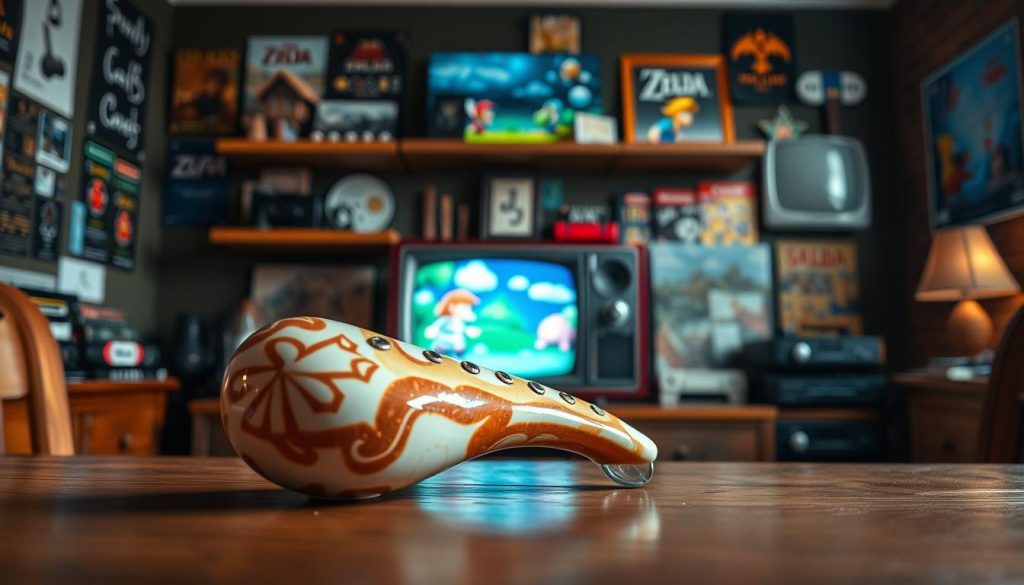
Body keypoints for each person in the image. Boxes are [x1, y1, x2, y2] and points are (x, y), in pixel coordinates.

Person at [424, 289, 481, 357]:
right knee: (440, 352)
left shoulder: (460, 322)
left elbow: (464, 329)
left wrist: (470, 332)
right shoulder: (445, 319)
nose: (467, 310)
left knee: (459, 350)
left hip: (457, 341)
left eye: (469, 308)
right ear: (452, 306)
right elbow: (436, 327)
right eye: (464, 307)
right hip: (444, 340)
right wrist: (432, 330)